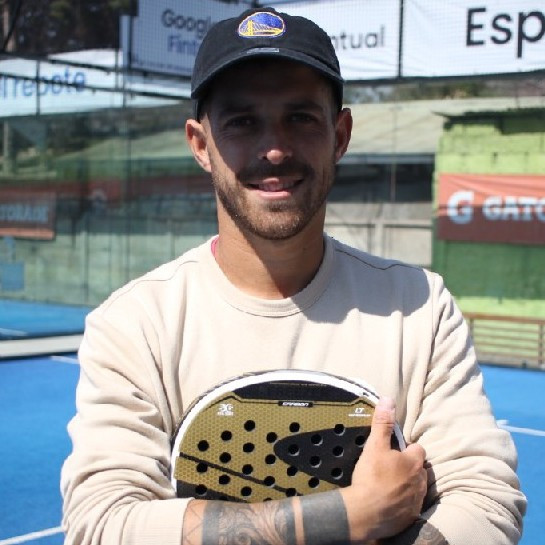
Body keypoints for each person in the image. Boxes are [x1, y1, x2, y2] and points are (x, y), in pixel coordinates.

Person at [61, 7, 526, 545]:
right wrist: (352, 515)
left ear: (340, 135)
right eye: (242, 122)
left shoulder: (420, 305)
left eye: (301, 118)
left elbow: (487, 502)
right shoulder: (133, 322)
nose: (275, 149)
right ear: (200, 144)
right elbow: (99, 524)